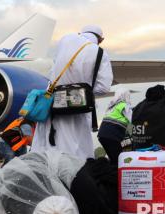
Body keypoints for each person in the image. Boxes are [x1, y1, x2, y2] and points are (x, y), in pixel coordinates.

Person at [31, 25, 113, 159]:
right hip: (77, 110)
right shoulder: (99, 52)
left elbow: (53, 71)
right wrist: (83, 93)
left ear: (80, 33)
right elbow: (104, 87)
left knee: (46, 149)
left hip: (52, 104)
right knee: (75, 153)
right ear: (101, 39)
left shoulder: (66, 40)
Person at [97, 88, 132, 165]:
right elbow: (133, 119)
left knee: (113, 159)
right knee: (119, 159)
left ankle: (110, 174)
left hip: (102, 136)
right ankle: (117, 175)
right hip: (112, 136)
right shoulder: (124, 105)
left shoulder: (111, 107)